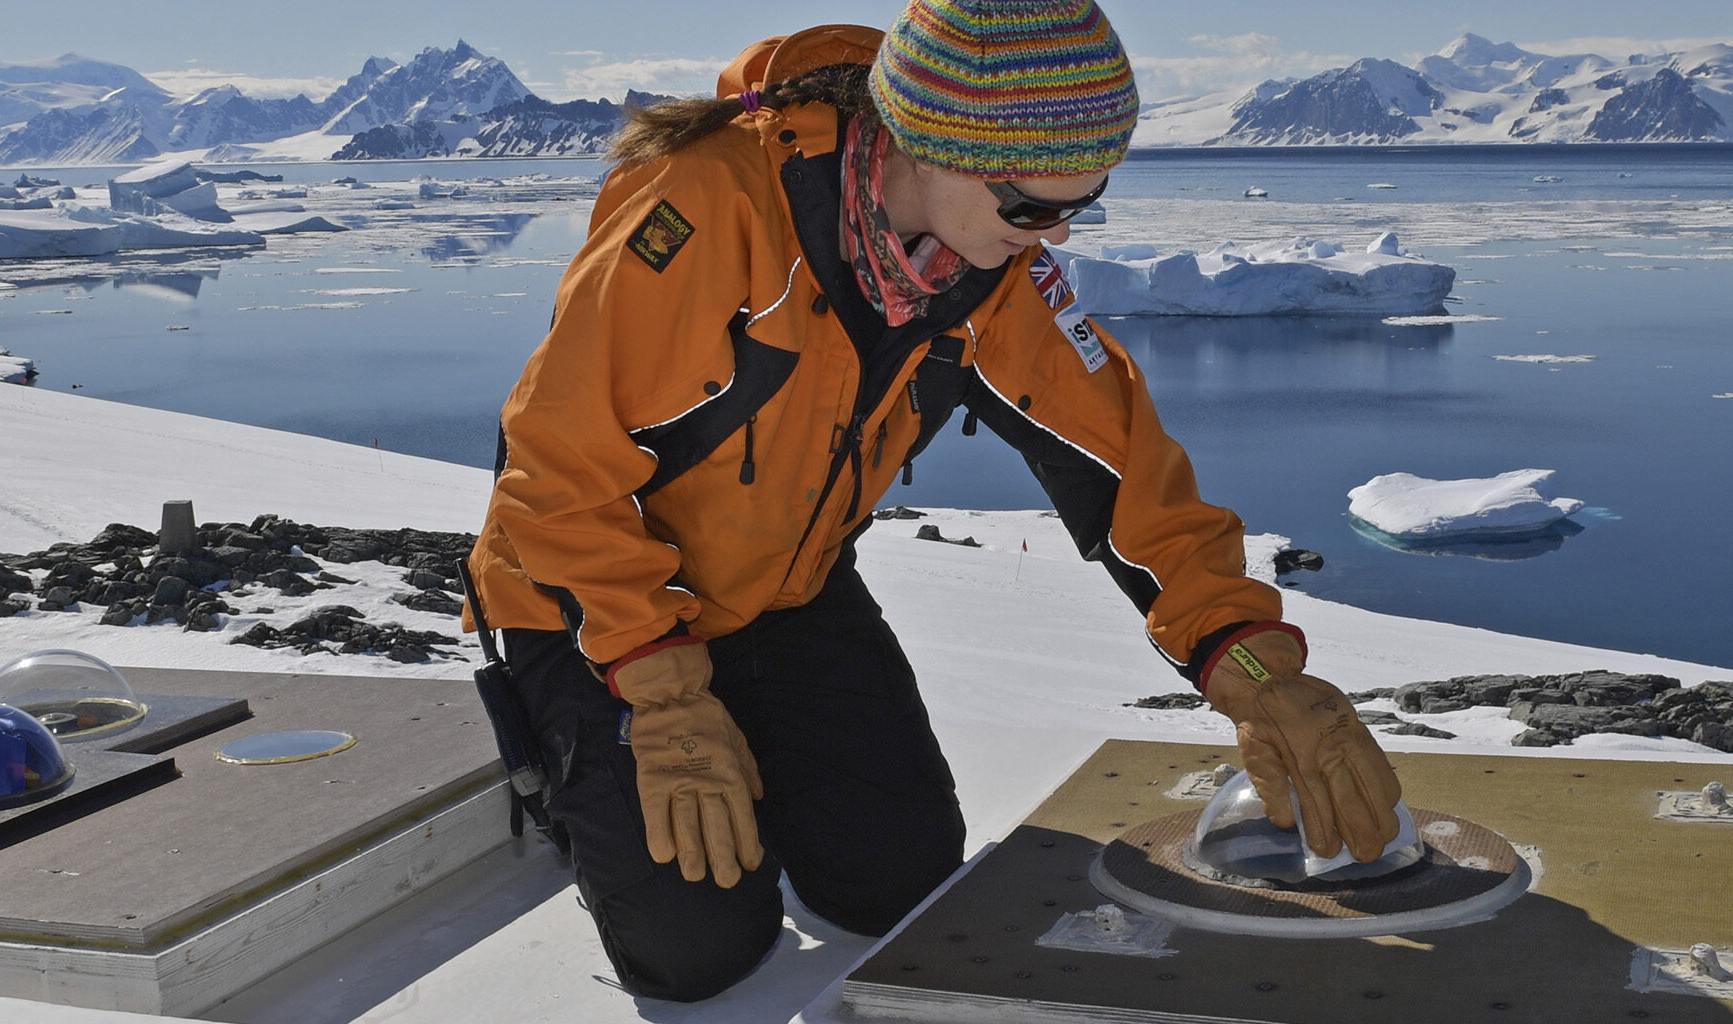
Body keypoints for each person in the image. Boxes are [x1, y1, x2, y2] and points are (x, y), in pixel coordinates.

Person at [464, 0, 1404, 1003]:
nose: (1053, 233)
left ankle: (747, 734)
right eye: (1031, 208)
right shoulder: (708, 206)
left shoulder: (987, 271)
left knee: (899, 885)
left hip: (786, 592)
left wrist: (1248, 664)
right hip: (592, 604)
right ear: (932, 147)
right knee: (696, 953)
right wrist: (664, 692)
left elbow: (1132, 476)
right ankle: (582, 766)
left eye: (1080, 204)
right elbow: (555, 468)